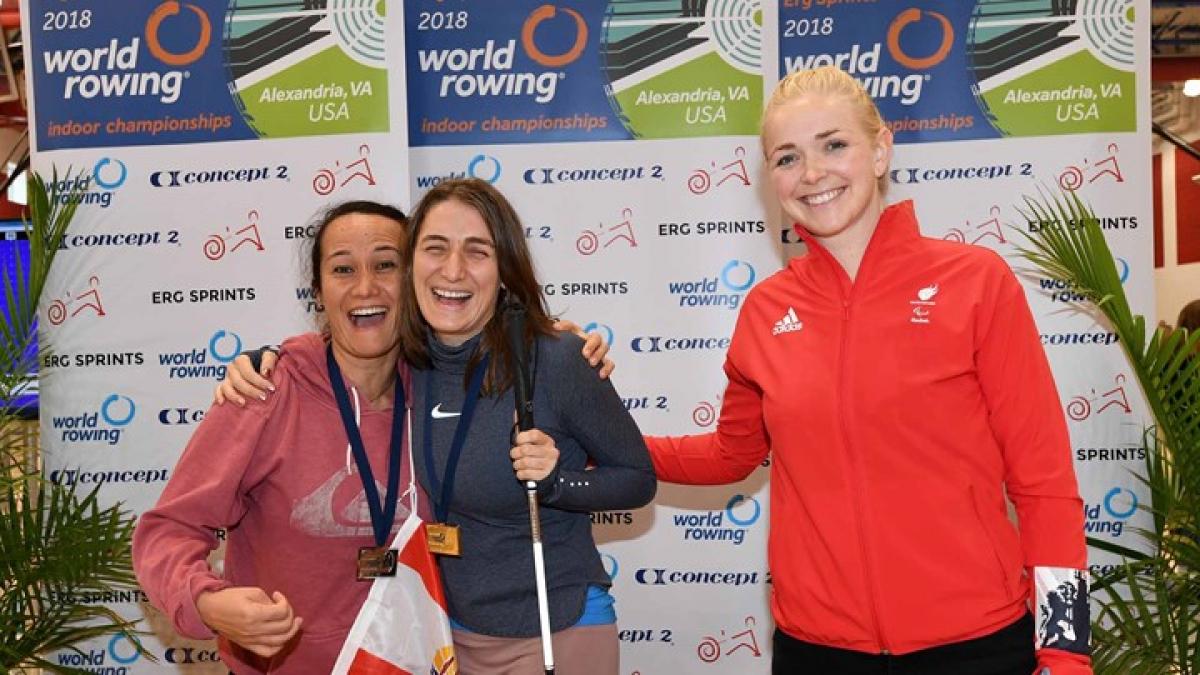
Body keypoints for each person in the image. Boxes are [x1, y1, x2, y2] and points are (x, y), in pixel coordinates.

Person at [642, 66, 1092, 674]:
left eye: (834, 144)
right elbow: (730, 454)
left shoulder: (976, 283)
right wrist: (600, 441)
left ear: (881, 149)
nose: (813, 174)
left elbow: (1045, 485)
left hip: (975, 647)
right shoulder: (766, 310)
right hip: (818, 654)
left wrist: (1066, 651)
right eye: (787, 157)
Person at [218, 179, 655, 674]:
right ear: (412, 268)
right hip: (445, 638)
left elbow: (637, 478)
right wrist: (263, 359)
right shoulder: (410, 361)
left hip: (557, 629)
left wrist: (556, 483)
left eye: (477, 251)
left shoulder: (554, 360)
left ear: (504, 269)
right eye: (435, 248)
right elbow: (344, 334)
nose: (453, 270)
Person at [133, 201, 424, 673]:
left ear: (415, 282)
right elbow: (166, 532)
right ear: (319, 293)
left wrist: (562, 350)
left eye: (386, 265)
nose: (365, 287)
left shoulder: (444, 393)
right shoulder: (264, 392)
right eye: (343, 268)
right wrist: (207, 601)